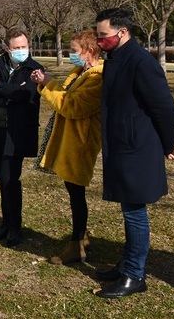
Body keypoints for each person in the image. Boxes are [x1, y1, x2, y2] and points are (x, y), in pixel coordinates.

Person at [93, 8, 174, 298]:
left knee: (134, 212)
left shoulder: (141, 62)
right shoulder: (116, 58)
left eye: (103, 35)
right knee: (128, 209)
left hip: (138, 148)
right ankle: (126, 263)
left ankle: (134, 274)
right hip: (122, 145)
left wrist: (170, 143)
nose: (99, 40)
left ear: (122, 32)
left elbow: (164, 108)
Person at [30, 30, 103, 265]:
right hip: (71, 140)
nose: (71, 55)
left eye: (74, 51)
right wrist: (47, 82)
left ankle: (76, 244)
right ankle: (81, 237)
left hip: (81, 143)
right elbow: (65, 92)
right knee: (74, 192)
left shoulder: (97, 77)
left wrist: (47, 84)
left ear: (89, 51)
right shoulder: (81, 71)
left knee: (76, 192)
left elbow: (72, 106)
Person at [0, 29, 43, 247]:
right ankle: (6, 224)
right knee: (1, 179)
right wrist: (4, 91)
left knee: (10, 180)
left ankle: (15, 227)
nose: (21, 51)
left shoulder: (34, 69)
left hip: (16, 133)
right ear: (7, 48)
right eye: (16, 48)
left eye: (24, 46)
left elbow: (25, 95)